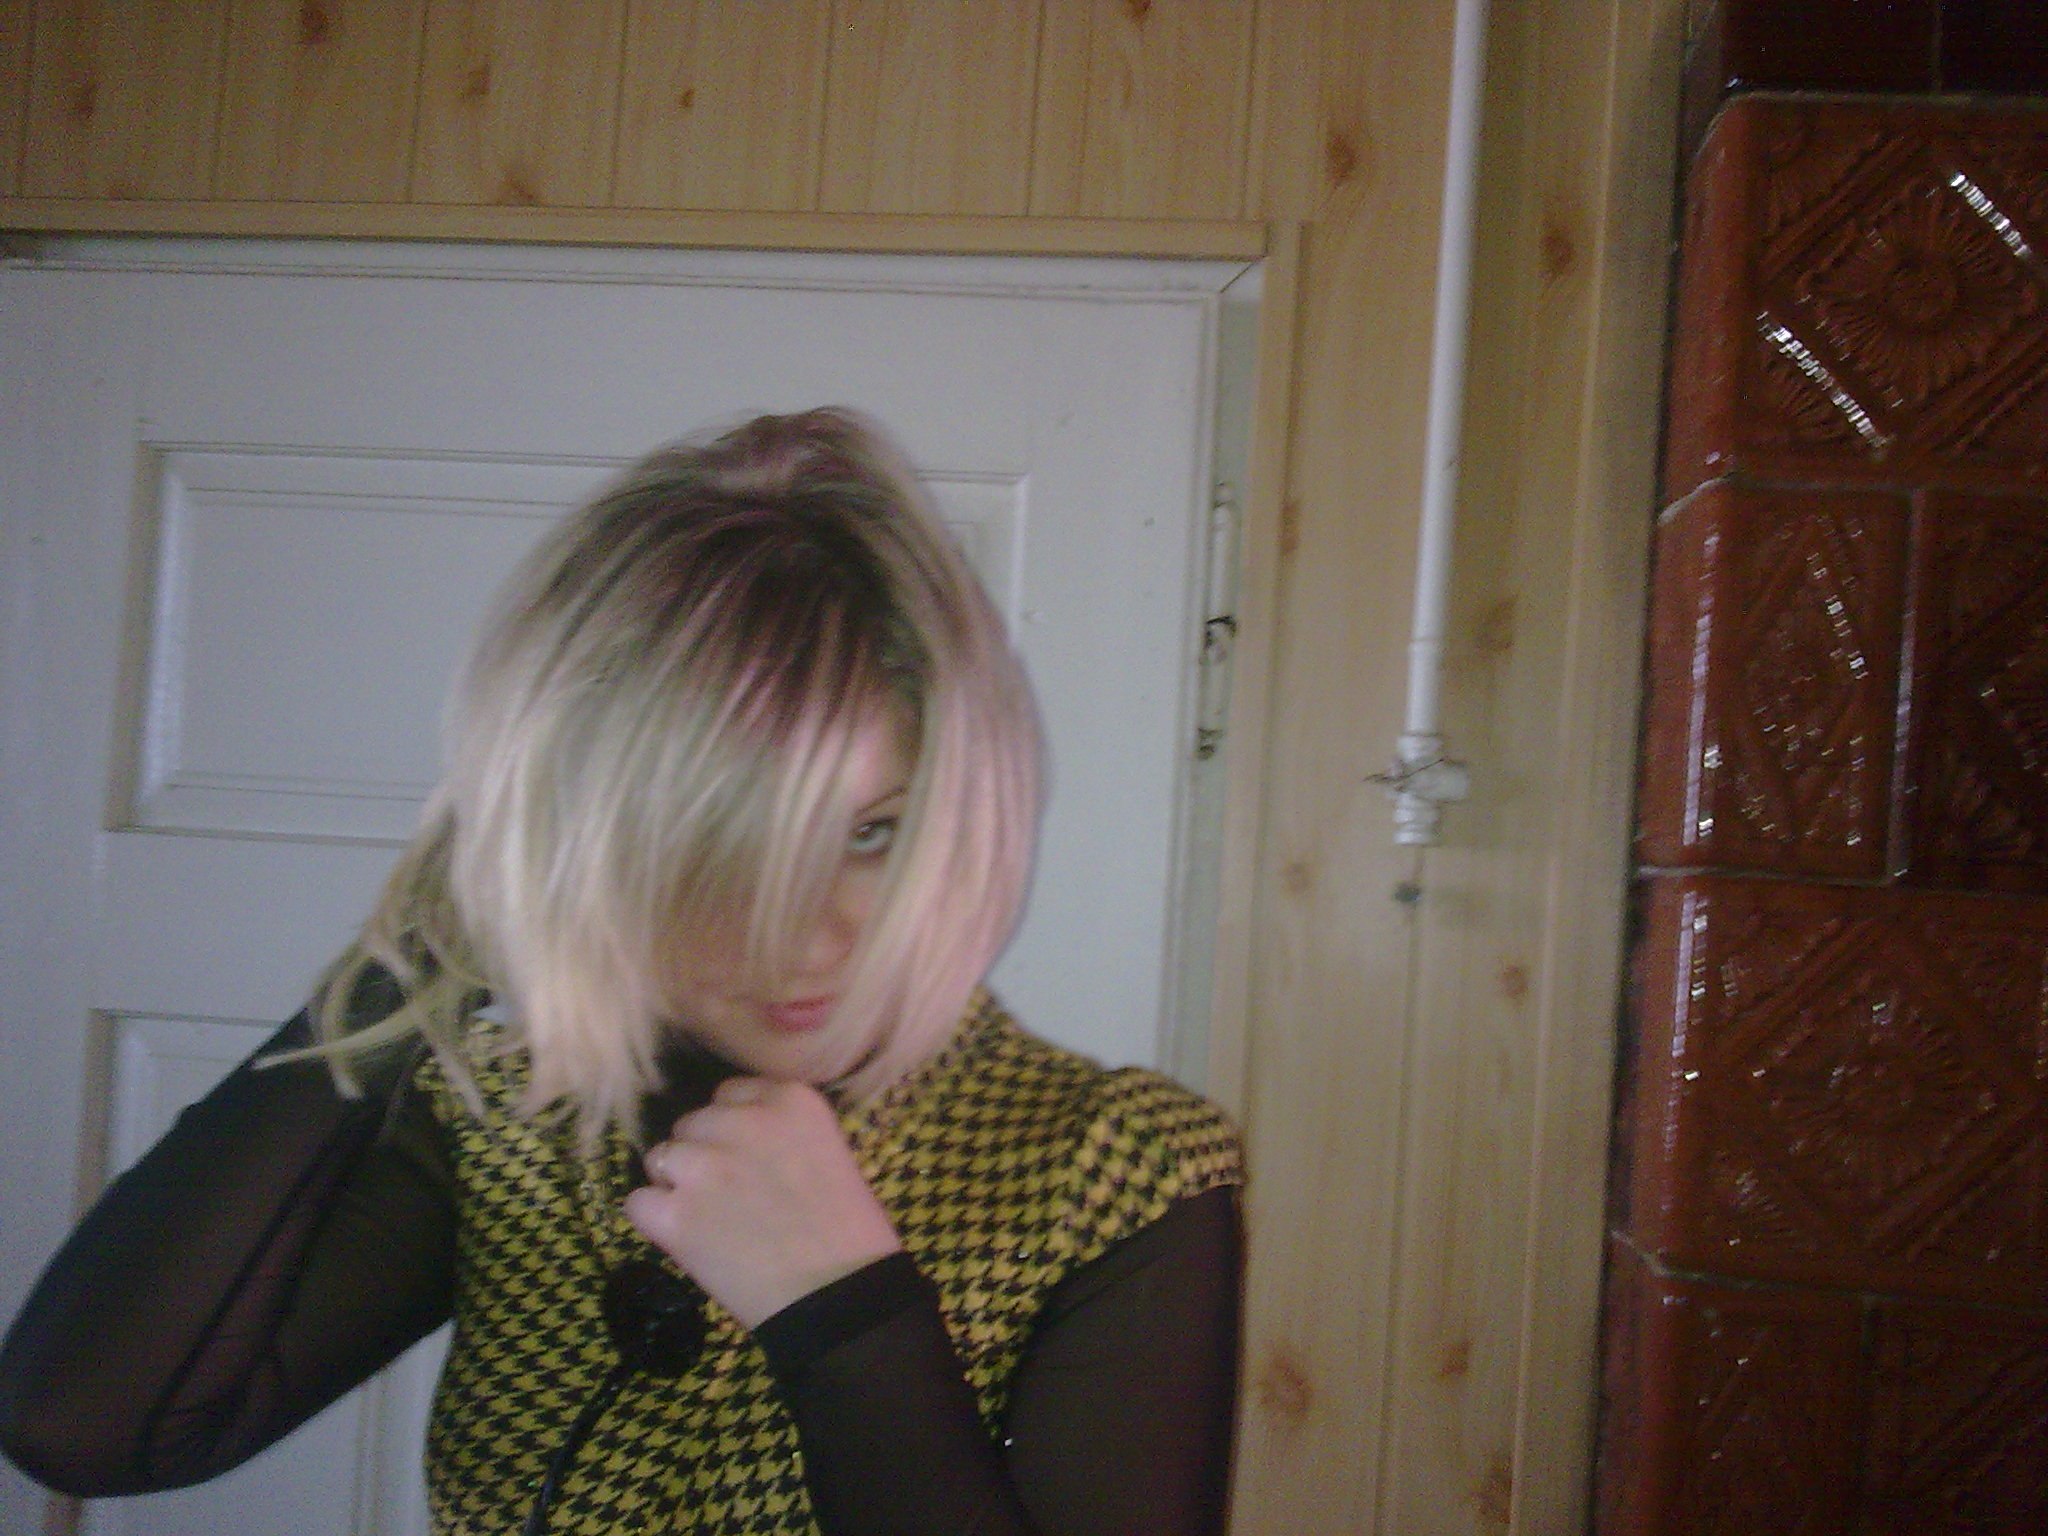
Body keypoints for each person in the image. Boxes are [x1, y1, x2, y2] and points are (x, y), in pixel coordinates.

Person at [0, 409, 1244, 1535]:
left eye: (869, 832)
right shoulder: (517, 1115)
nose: (806, 939)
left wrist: (841, 1312)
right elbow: (85, 1424)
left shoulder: (1106, 1169)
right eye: (715, 849)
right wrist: (430, 937)